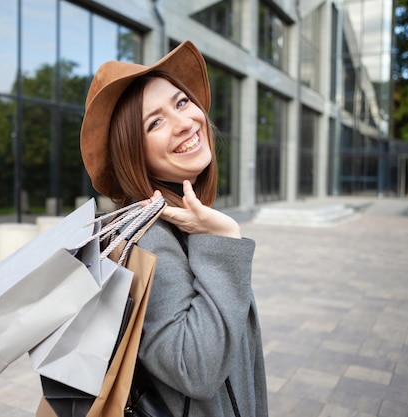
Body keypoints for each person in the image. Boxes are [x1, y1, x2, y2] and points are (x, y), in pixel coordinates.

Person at [80, 40, 268, 417]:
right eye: (155, 122)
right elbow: (196, 368)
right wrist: (225, 236)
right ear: (135, 153)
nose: (185, 122)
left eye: (181, 102)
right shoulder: (149, 240)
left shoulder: (183, 221)